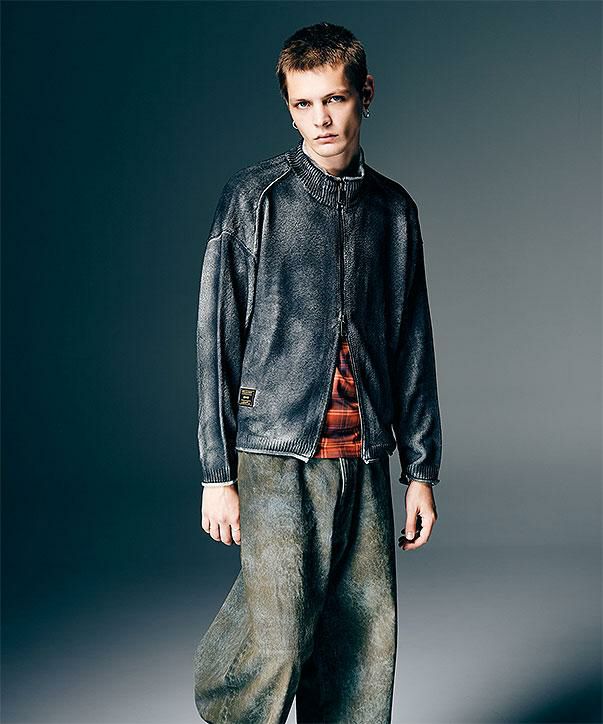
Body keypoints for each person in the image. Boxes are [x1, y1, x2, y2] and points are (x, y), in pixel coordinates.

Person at [193, 21, 443, 724]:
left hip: (363, 457)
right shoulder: (256, 199)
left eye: (334, 99)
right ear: (289, 108)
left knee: (363, 646)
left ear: (365, 93)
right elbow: (216, 337)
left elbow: (411, 343)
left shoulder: (393, 211)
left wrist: (420, 470)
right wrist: (217, 473)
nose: (321, 119)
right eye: (304, 104)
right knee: (277, 641)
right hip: (275, 455)